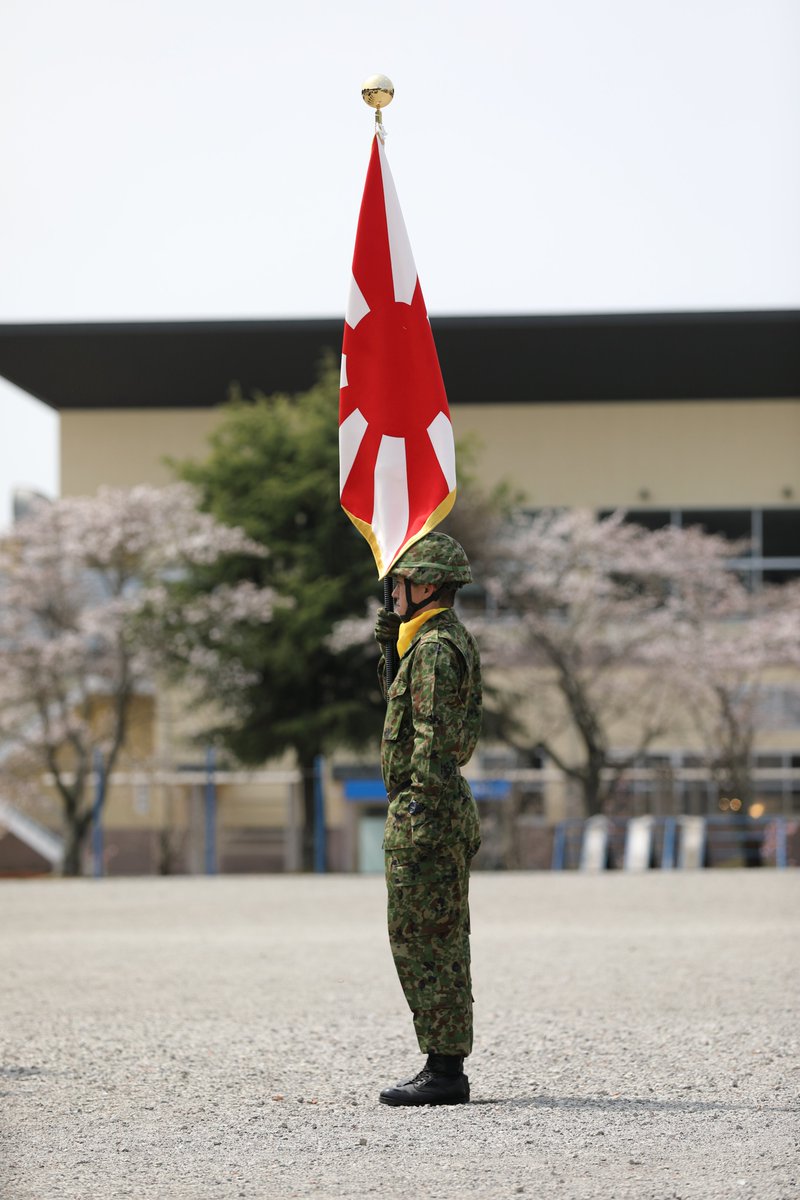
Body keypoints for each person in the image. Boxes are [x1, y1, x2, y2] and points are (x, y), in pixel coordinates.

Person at [373, 531, 482, 1107]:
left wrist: (421, 811)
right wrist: (391, 652)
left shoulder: (438, 648)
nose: (392, 591)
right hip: (426, 808)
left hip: (428, 812)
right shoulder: (424, 643)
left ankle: (445, 1071)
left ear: (429, 585)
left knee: (429, 942)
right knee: (422, 938)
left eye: (400, 581)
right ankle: (442, 1064)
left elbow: (434, 740)